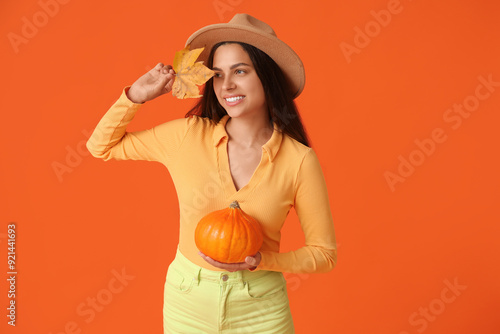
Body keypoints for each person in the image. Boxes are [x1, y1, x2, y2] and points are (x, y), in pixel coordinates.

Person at [86, 13, 337, 334]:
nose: (227, 84)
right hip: (188, 301)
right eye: (217, 75)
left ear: (267, 77)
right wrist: (134, 97)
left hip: (261, 310)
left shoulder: (298, 160)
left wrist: (262, 261)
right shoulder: (187, 136)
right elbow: (101, 147)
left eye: (241, 71)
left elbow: (324, 254)